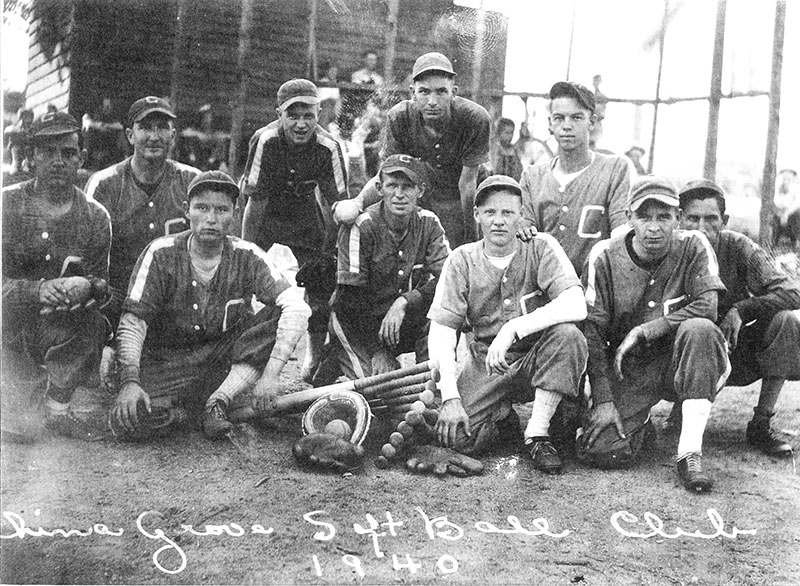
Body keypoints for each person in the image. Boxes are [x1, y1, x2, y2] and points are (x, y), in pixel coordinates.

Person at [110, 171, 311, 440]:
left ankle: (218, 401)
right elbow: (134, 321)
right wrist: (130, 381)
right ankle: (186, 413)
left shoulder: (247, 254)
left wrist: (272, 375)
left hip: (223, 359)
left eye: (221, 210)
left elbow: (297, 307)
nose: (211, 219)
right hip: (171, 362)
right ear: (187, 210)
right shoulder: (160, 252)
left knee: (278, 313)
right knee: (129, 422)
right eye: (202, 208)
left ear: (234, 213)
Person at [427, 175, 588, 473]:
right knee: (459, 437)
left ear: (521, 215)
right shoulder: (461, 259)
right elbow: (442, 331)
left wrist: (512, 328)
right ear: (476, 215)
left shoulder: (541, 246)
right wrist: (449, 397)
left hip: (538, 356)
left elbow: (576, 304)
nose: (498, 221)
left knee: (569, 335)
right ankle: (502, 417)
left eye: (508, 213)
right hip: (486, 361)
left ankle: (537, 433)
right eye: (490, 212)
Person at [581, 176, 729, 493]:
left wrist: (649, 328)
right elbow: (592, 331)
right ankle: (641, 425)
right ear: (628, 218)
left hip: (680, 361)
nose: (654, 227)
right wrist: (604, 400)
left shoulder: (693, 245)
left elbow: (709, 306)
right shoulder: (604, 256)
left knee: (700, 328)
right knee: (602, 450)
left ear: (677, 217)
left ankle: (690, 452)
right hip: (630, 367)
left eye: (664, 217)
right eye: (644, 216)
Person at [2, 112, 112, 439]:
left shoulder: (95, 216)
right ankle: (23, 396)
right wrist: (35, 290)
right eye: (48, 152)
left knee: (94, 323)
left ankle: (58, 406)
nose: (58, 162)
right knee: (20, 429)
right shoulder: (5, 206)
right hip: (7, 326)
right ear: (31, 157)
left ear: (81, 159)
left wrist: (89, 287)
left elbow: (104, 292)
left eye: (68, 153)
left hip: (57, 330)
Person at [676, 179, 799, 457]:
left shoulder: (737, 246)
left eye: (711, 219)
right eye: (692, 218)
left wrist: (741, 309)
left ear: (724, 220)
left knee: (786, 321)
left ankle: (761, 423)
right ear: (679, 219)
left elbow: (793, 290)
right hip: (681, 354)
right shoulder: (668, 248)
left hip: (734, 353)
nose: (701, 227)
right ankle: (676, 410)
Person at [239, 78, 348, 381]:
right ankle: (242, 354)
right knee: (247, 279)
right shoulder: (266, 140)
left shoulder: (328, 147)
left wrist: (327, 252)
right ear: (279, 114)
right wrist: (248, 251)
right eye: (293, 115)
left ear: (319, 114)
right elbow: (255, 201)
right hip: (265, 210)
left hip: (303, 211)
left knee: (320, 285)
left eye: (308, 116)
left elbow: (335, 205)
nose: (301, 124)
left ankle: (312, 356)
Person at [334, 52, 491, 249]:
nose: (432, 101)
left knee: (461, 251)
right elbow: (387, 176)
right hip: (424, 191)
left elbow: (467, 183)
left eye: (441, 92)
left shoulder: (474, 117)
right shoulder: (400, 116)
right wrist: (357, 203)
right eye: (424, 92)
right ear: (412, 93)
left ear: (454, 92)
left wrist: (472, 238)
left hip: (464, 196)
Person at [317, 154, 450, 382]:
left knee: (440, 316)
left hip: (399, 319)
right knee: (378, 391)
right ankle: (338, 358)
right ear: (379, 188)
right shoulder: (361, 226)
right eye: (392, 186)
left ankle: (427, 379)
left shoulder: (429, 222)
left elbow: (449, 279)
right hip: (357, 323)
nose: (399, 194)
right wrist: (379, 350)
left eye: (407, 187)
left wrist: (405, 300)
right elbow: (350, 299)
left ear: (421, 190)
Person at [85, 96, 201, 329]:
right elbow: (87, 256)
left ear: (173, 136)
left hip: (175, 302)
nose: (154, 136)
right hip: (119, 299)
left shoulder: (193, 182)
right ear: (130, 135)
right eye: (145, 127)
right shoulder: (104, 184)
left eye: (162, 128)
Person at [519, 81, 631, 277]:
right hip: (544, 290)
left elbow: (621, 235)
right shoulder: (532, 176)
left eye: (576, 117)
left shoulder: (615, 169)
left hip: (596, 289)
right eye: (559, 118)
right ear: (550, 123)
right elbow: (525, 236)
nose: (567, 126)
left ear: (592, 122)